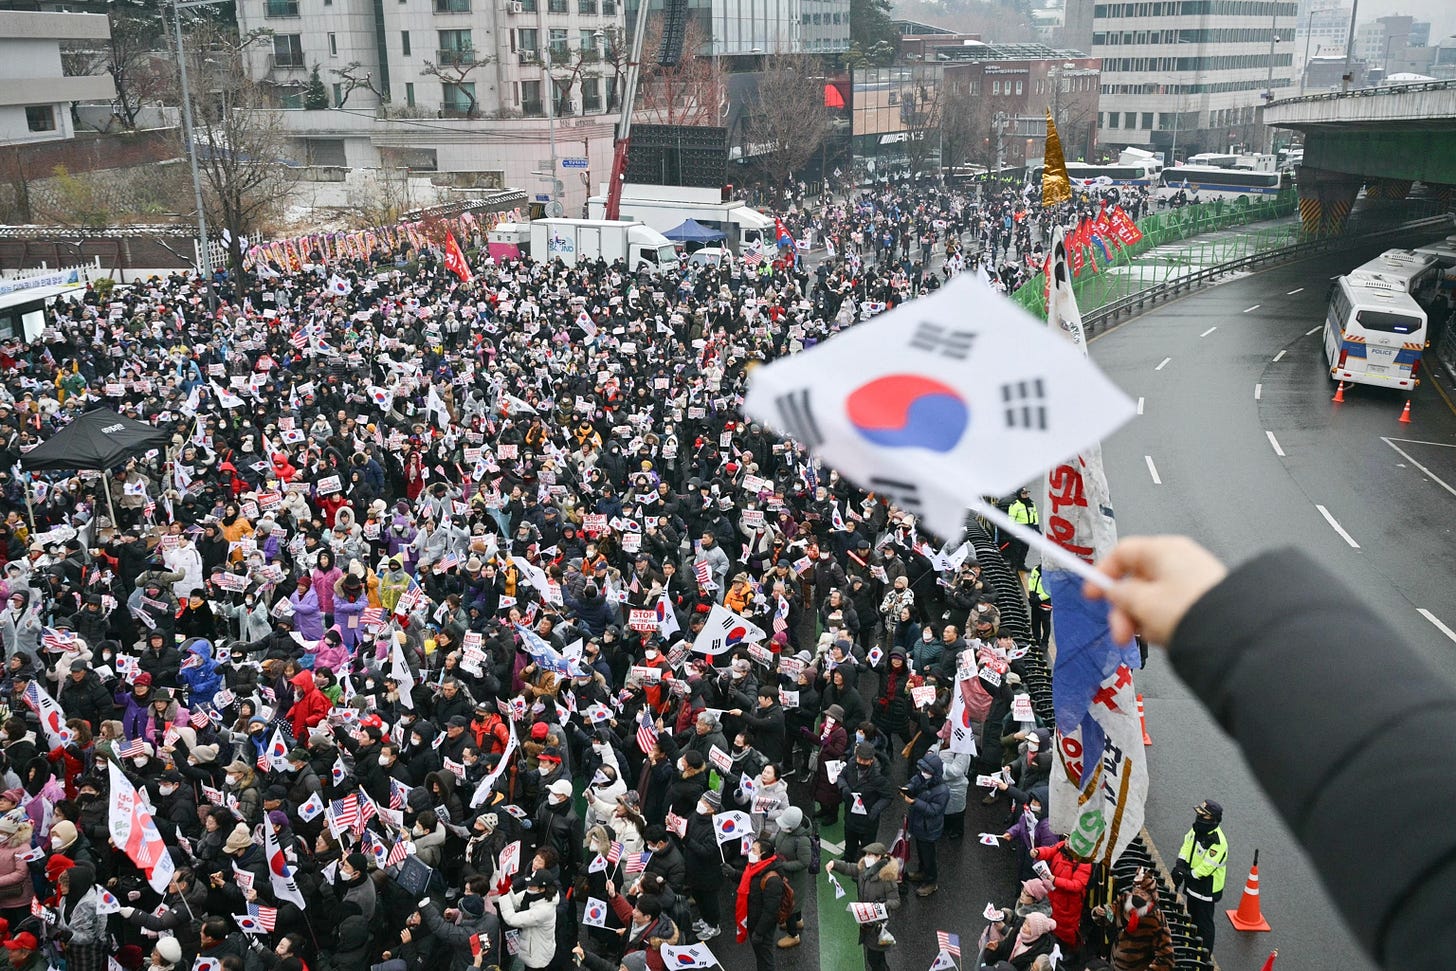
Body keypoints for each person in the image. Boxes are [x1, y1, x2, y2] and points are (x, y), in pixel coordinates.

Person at [825, 841, 900, 971]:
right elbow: (849, 868)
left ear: (880, 857)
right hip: (866, 920)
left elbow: (896, 901)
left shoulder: (887, 879)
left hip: (878, 924)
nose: (867, 857)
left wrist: (883, 904)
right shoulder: (864, 869)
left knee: (874, 958)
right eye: (867, 854)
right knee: (877, 956)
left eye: (872, 855)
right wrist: (835, 864)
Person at [1092, 867, 1176, 971]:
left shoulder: (1156, 920)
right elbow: (1110, 915)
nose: (1137, 896)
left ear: (1151, 897)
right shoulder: (1125, 900)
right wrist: (1101, 913)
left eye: (1143, 894)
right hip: (1114, 963)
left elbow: (1166, 959)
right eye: (1136, 891)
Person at [1171, 800, 1227, 952]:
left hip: (1206, 888)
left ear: (1213, 819)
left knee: (1204, 924)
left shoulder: (1218, 842)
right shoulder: (1196, 830)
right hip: (1193, 884)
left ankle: (1204, 955)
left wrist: (1187, 874)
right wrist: (1180, 864)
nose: (1200, 816)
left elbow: (1207, 868)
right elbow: (1187, 845)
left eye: (1204, 814)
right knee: (1191, 917)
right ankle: (1189, 947)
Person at [902, 754, 949, 897]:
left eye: (927, 771)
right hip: (919, 825)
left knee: (929, 857)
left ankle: (931, 882)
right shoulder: (922, 778)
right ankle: (921, 872)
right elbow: (914, 782)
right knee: (922, 853)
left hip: (929, 829)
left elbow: (934, 811)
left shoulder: (942, 791)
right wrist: (907, 788)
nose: (923, 773)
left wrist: (915, 802)